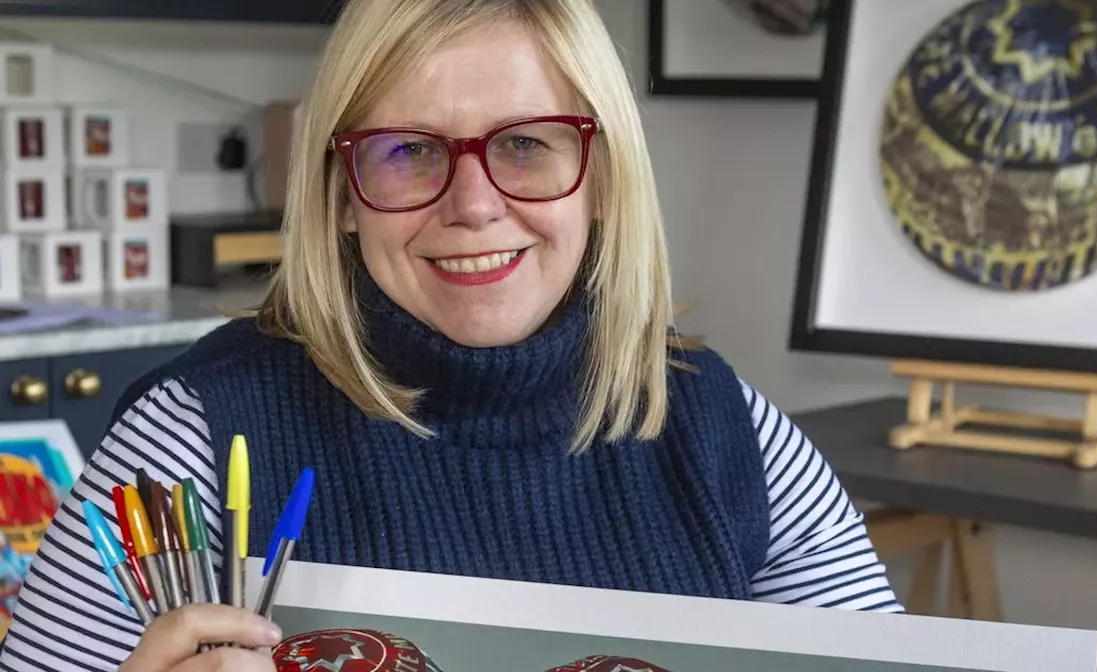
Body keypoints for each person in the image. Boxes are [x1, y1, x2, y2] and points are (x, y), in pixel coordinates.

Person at [0, 0, 902, 669]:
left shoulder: (718, 422)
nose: (473, 206)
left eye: (525, 146)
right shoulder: (193, 430)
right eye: (407, 151)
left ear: (601, 179)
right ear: (343, 196)